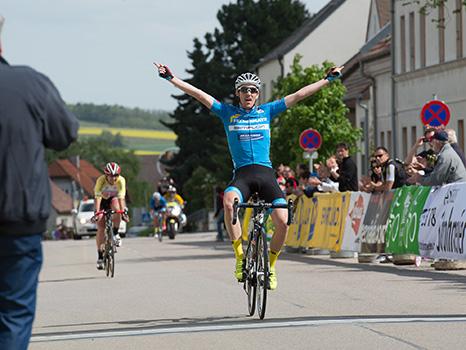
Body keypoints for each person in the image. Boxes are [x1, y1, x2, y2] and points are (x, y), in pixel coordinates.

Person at [154, 62, 343, 290]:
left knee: (283, 222)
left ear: (258, 94)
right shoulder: (228, 113)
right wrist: (171, 79)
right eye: (244, 89)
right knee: (228, 203)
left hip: (266, 176)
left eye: (253, 90)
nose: (249, 93)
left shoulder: (268, 111)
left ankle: (271, 267)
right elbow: (199, 95)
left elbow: (299, 95)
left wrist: (327, 80)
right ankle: (240, 257)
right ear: (238, 93)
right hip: (242, 176)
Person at [0, 15, 79, 350]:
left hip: (20, 217)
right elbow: (64, 133)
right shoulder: (29, 83)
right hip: (18, 216)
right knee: (13, 315)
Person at [93, 162, 129, 269]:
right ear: (106, 175)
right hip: (102, 201)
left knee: (118, 210)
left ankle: (116, 233)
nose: (114, 178)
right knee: (100, 227)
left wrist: (123, 213)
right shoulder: (101, 181)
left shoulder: (121, 181)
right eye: (111, 176)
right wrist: (97, 212)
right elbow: (98, 198)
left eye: (116, 175)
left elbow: (121, 197)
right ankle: (100, 256)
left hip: (114, 200)